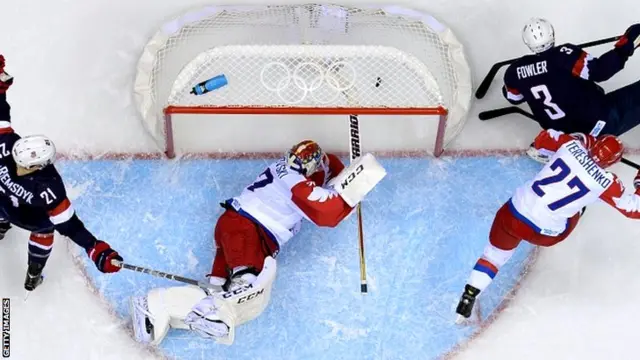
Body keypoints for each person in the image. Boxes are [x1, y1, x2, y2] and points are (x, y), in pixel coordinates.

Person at [129, 140, 386, 345]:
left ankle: (157, 305)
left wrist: (350, 174)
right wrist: (353, 193)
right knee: (246, 284)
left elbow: (328, 168)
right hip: (246, 230)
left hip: (238, 229)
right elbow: (326, 214)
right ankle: (205, 314)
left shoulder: (290, 167)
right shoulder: (295, 181)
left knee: (218, 290)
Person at [455, 128, 640, 320]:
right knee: (583, 202)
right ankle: (582, 201)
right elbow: (635, 210)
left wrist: (584, 140)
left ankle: (470, 294)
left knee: (493, 256)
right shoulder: (609, 183)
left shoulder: (571, 146)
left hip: (513, 213)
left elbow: (543, 139)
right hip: (544, 234)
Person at [0, 55, 123, 292]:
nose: (18, 164)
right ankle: (33, 270)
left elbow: (72, 227)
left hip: (14, 207)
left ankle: (31, 270)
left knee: (29, 219)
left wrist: (95, 248)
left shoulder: (48, 186)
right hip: (18, 210)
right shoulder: (12, 148)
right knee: (44, 231)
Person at [502, 18, 640, 162]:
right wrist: (626, 45)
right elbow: (601, 71)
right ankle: (586, 144)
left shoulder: (514, 71)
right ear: (552, 34)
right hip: (598, 123)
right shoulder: (565, 55)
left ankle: (559, 145)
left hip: (562, 135)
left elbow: (513, 97)